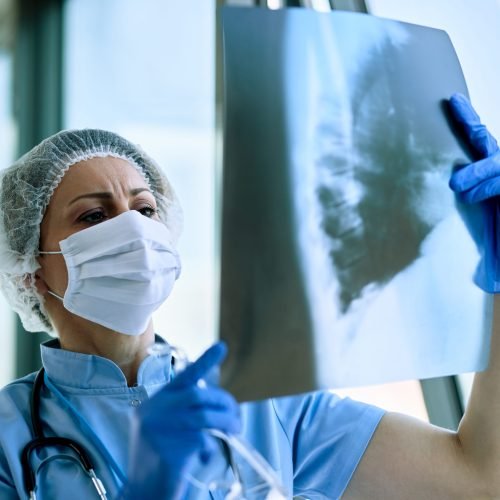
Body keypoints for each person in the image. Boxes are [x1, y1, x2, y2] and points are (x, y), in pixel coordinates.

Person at [0, 93, 498, 499]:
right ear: (29, 271)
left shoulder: (258, 403)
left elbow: (477, 476)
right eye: (93, 216)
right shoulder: (9, 435)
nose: (132, 230)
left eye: (145, 210)